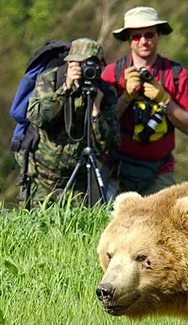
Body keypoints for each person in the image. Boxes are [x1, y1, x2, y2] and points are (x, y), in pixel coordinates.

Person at [100, 6, 188, 195]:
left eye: (149, 34)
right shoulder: (113, 73)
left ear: (159, 35)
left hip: (159, 170)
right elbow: (100, 126)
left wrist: (165, 99)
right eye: (137, 36)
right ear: (128, 39)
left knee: (164, 222)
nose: (143, 41)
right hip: (115, 167)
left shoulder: (176, 74)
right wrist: (125, 98)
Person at [24, 38, 120, 207]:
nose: (86, 69)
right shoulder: (51, 80)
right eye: (80, 63)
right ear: (69, 63)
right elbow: (38, 118)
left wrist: (96, 111)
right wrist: (65, 89)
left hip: (79, 182)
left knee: (75, 229)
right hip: (43, 178)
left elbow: (108, 145)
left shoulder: (104, 92)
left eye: (91, 64)